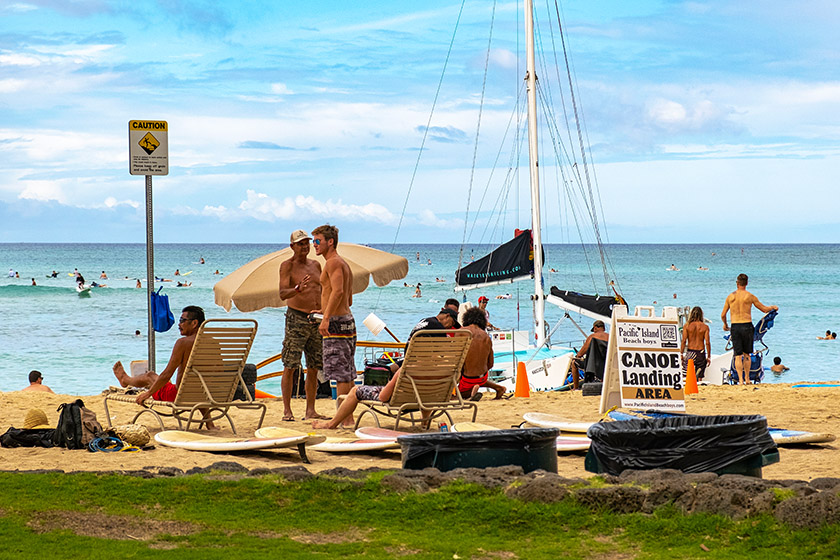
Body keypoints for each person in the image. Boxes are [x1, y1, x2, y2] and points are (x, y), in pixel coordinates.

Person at [112, 306, 218, 429]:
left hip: (180, 396)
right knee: (197, 385)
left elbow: (167, 373)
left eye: (182, 320)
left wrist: (148, 393)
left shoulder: (183, 343)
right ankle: (209, 422)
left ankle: (126, 380)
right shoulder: (213, 342)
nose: (179, 324)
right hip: (207, 395)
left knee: (150, 376)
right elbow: (219, 371)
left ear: (194, 323)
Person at [278, 229, 325, 422]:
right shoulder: (287, 266)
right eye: (300, 244)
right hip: (296, 318)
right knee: (290, 365)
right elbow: (282, 293)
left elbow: (323, 289)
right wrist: (296, 289)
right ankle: (287, 410)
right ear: (292, 246)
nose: (305, 246)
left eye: (307, 242)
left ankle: (310, 410)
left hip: (316, 319)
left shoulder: (316, 265)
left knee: (314, 365)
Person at [312, 224, 356, 426]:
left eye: (318, 241)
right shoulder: (343, 264)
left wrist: (327, 317)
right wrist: (325, 309)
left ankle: (343, 419)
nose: (315, 245)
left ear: (330, 242)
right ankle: (347, 418)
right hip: (346, 321)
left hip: (337, 324)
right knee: (346, 374)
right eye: (314, 241)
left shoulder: (333, 263)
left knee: (339, 375)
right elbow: (348, 299)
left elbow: (338, 292)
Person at [721, 273, 778, 385]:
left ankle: (740, 381)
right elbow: (764, 309)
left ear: (737, 283)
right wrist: (773, 307)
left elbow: (723, 314)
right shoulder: (750, 296)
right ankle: (747, 379)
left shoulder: (730, 297)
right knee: (747, 354)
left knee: (737, 355)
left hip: (735, 326)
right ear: (746, 283)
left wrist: (725, 324)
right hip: (747, 326)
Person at [458, 307, 504, 400]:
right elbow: (490, 364)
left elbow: (455, 359)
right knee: (476, 377)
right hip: (482, 377)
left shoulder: (461, 332)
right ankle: (498, 388)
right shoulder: (486, 336)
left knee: (456, 395)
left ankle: (471, 392)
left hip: (467, 378)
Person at [680, 306, 711, 381]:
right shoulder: (705, 327)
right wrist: (709, 356)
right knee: (700, 376)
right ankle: (700, 389)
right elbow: (707, 342)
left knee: (686, 375)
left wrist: (681, 353)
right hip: (701, 352)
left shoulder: (687, 326)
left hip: (691, 352)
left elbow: (684, 341)